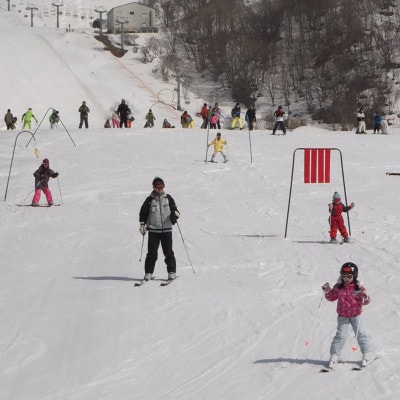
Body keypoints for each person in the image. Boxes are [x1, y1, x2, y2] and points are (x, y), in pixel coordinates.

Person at [322, 262, 373, 369]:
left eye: (349, 276)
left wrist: (365, 297)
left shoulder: (359, 287)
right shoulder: (338, 287)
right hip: (343, 316)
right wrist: (327, 291)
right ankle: (334, 356)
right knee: (340, 336)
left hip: (356, 315)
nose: (346, 278)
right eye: (344, 276)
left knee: (361, 334)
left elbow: (366, 301)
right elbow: (331, 298)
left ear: (354, 276)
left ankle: (367, 354)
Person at [139, 177, 180, 282]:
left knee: (168, 252)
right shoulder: (149, 200)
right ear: (154, 187)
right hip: (153, 231)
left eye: (162, 186)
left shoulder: (168, 198)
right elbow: (143, 213)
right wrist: (142, 224)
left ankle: (171, 272)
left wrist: (176, 214)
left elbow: (175, 210)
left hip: (166, 230)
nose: (160, 188)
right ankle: (148, 273)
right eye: (158, 186)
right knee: (151, 253)